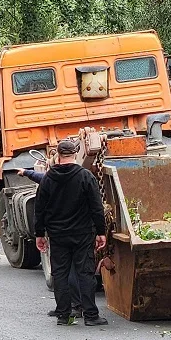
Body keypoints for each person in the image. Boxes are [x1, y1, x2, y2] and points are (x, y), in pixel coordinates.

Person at [33, 139, 108, 326]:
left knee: (60, 274)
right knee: (85, 273)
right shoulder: (85, 177)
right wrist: (101, 232)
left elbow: (39, 209)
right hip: (82, 234)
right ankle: (91, 316)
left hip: (57, 235)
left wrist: (39, 234)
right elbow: (96, 207)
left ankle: (64, 316)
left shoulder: (48, 179)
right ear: (75, 154)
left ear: (58, 155)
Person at [16, 167, 83, 319]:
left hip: (62, 232)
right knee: (72, 269)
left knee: (65, 270)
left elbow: (43, 180)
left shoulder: (55, 180)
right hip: (77, 230)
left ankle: (74, 306)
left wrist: (27, 173)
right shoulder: (80, 178)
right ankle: (72, 307)